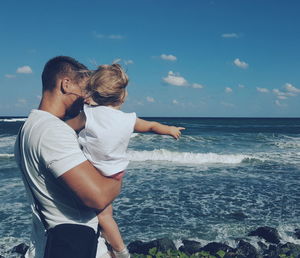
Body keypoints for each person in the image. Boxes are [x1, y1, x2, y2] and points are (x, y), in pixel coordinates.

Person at [67, 64, 185, 258]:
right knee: (105, 214)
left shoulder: (88, 115)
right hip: (115, 174)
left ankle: (122, 252)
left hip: (93, 173)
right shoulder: (128, 119)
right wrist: (170, 129)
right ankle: (112, 248)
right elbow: (152, 126)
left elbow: (64, 129)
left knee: (103, 216)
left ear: (95, 93)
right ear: (122, 96)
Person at [14, 56, 122, 258]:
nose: (86, 98)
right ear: (66, 84)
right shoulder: (52, 131)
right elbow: (98, 197)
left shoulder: (29, 128)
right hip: (76, 247)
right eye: (85, 89)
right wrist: (118, 172)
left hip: (48, 244)